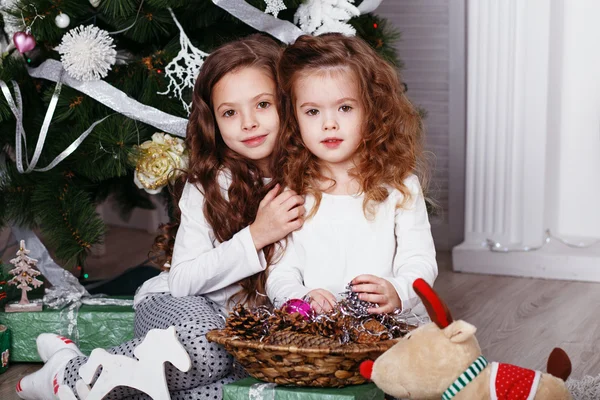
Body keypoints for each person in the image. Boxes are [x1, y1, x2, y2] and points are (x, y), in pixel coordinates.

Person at [17, 34, 304, 400]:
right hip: (177, 306)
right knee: (206, 348)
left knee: (231, 386)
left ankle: (74, 374)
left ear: (288, 103)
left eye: (262, 104)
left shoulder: (311, 180)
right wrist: (256, 235)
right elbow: (184, 281)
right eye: (230, 112)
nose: (248, 123)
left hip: (239, 332)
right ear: (214, 121)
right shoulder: (210, 184)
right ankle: (68, 374)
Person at [267, 34, 437, 319]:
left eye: (345, 108)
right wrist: (301, 298)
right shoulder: (293, 191)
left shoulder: (400, 187)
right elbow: (280, 272)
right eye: (312, 111)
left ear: (371, 110)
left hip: (390, 329)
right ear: (294, 118)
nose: (329, 123)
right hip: (319, 333)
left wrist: (398, 291)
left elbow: (419, 260)